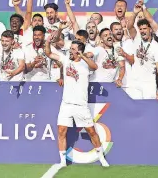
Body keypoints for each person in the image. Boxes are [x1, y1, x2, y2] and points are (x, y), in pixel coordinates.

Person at [44, 37, 109, 168]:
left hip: (81, 105)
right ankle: (63, 161)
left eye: (73, 49)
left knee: (91, 131)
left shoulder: (85, 64)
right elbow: (49, 53)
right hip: (66, 104)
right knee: (61, 131)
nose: (70, 50)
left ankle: (101, 157)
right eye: (71, 48)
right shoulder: (66, 60)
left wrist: (83, 57)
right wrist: (47, 42)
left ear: (79, 51)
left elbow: (95, 67)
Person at [127, 20, 158, 100]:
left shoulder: (156, 47)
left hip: (149, 83)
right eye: (140, 29)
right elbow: (129, 26)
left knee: (149, 109)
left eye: (144, 28)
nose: (142, 31)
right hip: (134, 81)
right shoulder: (136, 39)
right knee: (134, 109)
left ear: (150, 29)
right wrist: (135, 12)